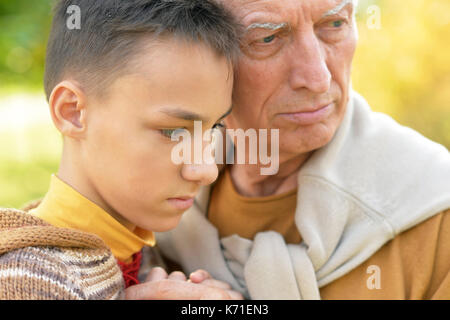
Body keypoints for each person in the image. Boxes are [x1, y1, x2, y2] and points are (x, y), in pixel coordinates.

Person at [156, 0, 450, 299]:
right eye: (267, 38)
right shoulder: (149, 201)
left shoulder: (437, 213)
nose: (318, 78)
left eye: (335, 25)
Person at [0, 0, 244, 300]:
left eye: (215, 128)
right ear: (72, 112)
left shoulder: (146, 252)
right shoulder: (25, 281)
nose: (206, 170)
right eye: (174, 132)